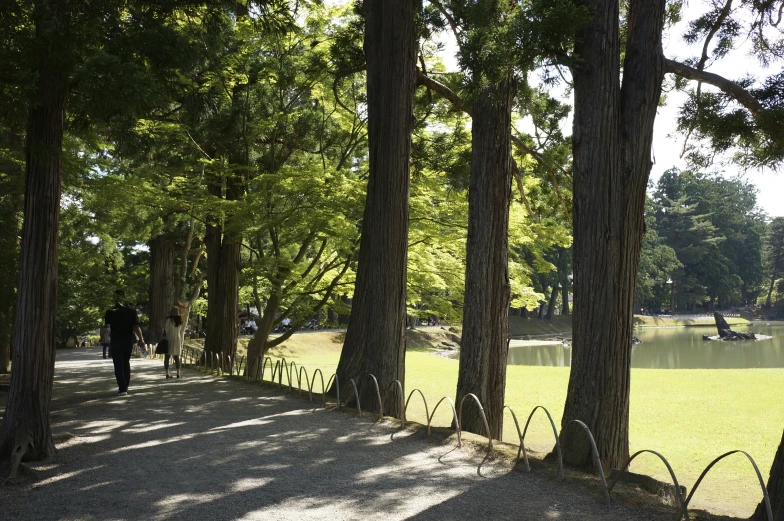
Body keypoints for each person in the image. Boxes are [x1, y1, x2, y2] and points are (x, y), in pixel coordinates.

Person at [104, 290, 146, 396]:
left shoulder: (110, 311)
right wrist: (141, 339)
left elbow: (107, 327)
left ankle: (122, 388)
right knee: (126, 362)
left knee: (118, 364)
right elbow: (136, 326)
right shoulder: (131, 311)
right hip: (128, 340)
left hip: (115, 340)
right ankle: (125, 386)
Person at [163, 305, 183, 379]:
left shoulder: (169, 320)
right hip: (177, 340)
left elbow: (166, 330)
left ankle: (167, 374)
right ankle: (178, 374)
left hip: (169, 339)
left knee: (167, 357)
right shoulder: (179, 321)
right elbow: (180, 330)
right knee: (177, 357)